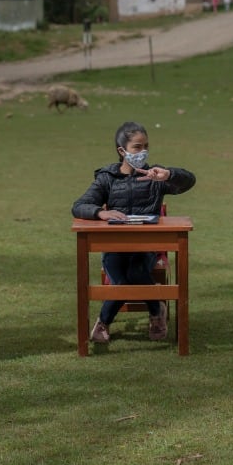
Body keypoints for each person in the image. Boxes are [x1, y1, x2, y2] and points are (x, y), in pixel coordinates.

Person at [72, 121, 196, 344]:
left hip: (146, 248)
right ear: (122, 151)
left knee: (136, 272)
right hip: (114, 249)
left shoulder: (155, 176)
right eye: (137, 147)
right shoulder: (106, 179)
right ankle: (156, 306)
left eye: (146, 146)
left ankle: (107, 321)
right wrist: (100, 213)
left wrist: (168, 174)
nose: (143, 152)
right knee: (121, 279)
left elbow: (189, 181)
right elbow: (79, 205)